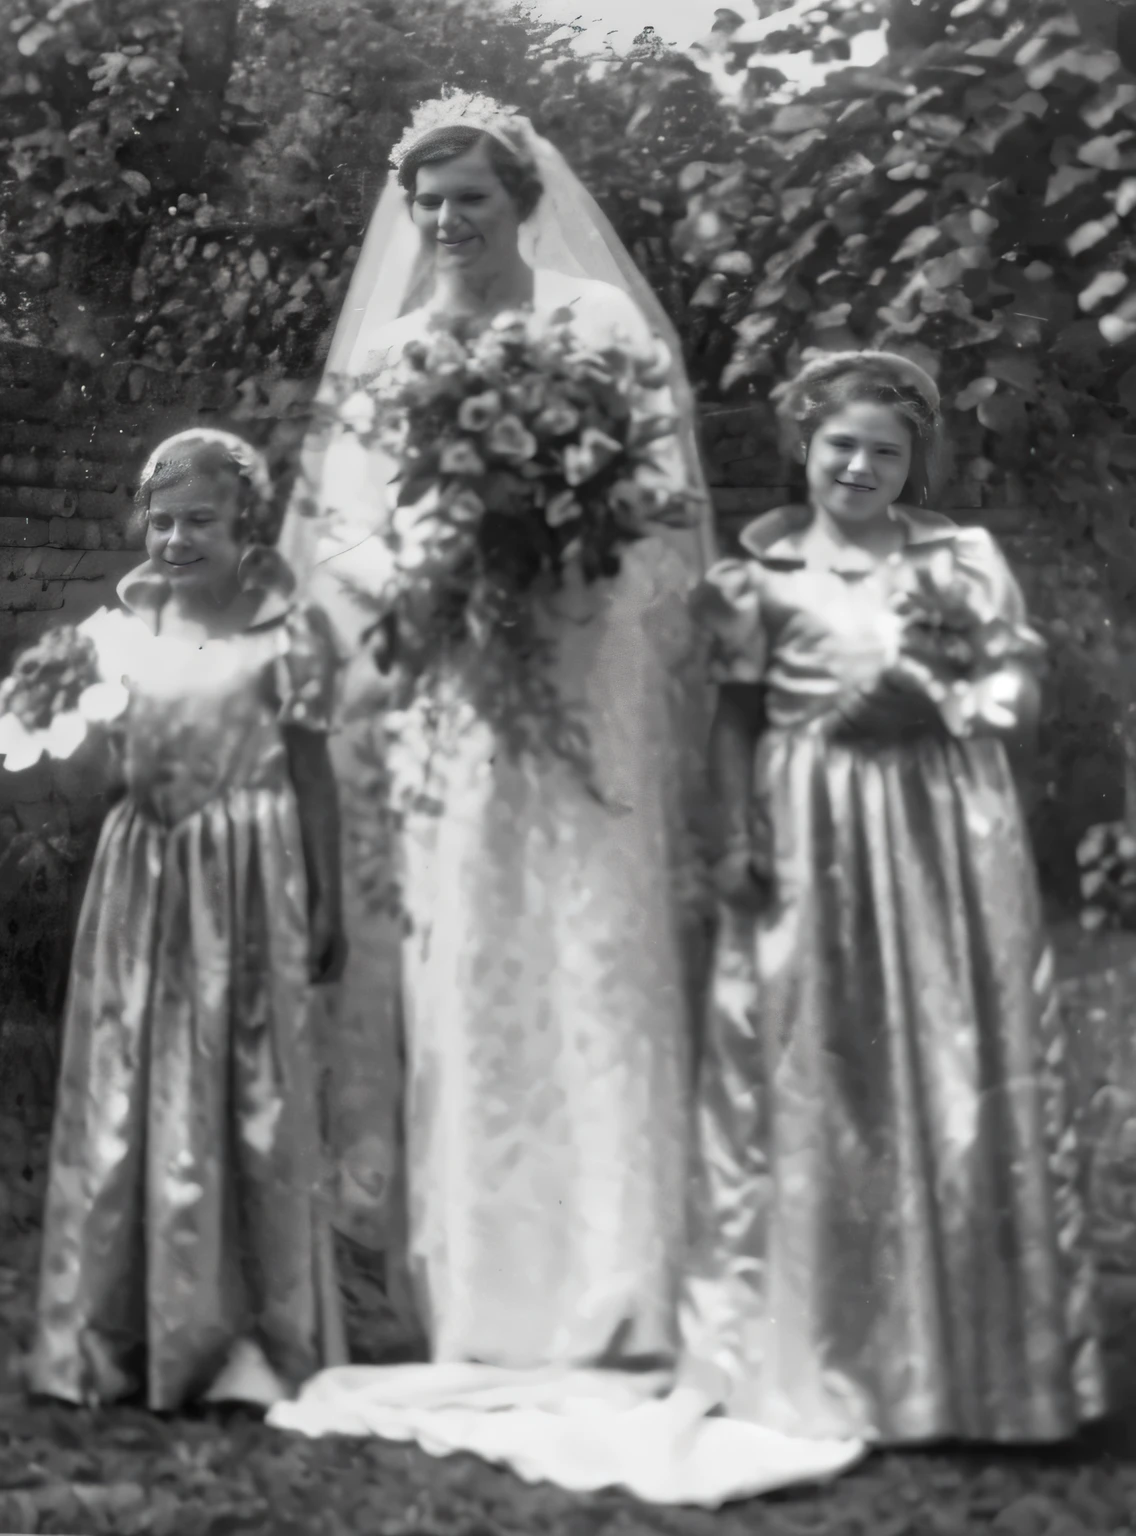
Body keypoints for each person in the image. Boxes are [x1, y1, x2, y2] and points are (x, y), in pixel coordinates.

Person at [267, 96, 863, 1504]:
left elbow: (661, 505)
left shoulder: (598, 326)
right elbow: (341, 527)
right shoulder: (405, 350)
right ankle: (484, 1297)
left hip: (580, 690)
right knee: (470, 963)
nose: (447, 222)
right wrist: (422, 572)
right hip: (460, 700)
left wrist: (548, 548)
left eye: (471, 197)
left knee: (593, 958)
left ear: (521, 200)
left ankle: (619, 1289)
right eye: (428, 203)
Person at [680, 350, 1105, 1447]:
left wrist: (941, 702)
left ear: (915, 459)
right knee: (816, 1058)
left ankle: (967, 1359)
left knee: (947, 1051)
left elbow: (1017, 685)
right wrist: (730, 836)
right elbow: (732, 720)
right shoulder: (758, 576)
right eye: (839, 447)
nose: (858, 466)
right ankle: (819, 1344)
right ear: (802, 452)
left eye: (883, 450)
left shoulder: (959, 560)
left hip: (938, 833)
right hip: (808, 827)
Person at [29, 429, 347, 1412]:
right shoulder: (112, 636)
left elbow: (310, 773)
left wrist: (329, 893)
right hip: (145, 879)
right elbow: (89, 771)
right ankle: (123, 1326)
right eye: (160, 521)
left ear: (242, 523)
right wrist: (60, 718)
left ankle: (246, 1332)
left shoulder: (286, 636)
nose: (175, 539)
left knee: (245, 1086)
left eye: (199, 521)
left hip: (248, 878)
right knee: (132, 1084)